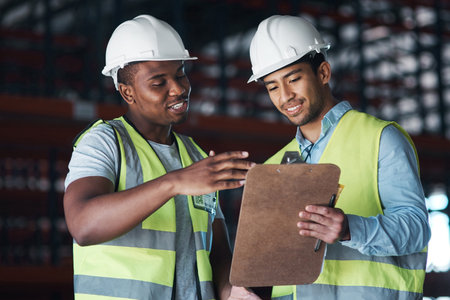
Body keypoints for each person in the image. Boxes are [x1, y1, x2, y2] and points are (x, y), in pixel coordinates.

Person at [64, 14, 261, 300]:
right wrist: (173, 183)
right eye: (159, 83)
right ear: (127, 92)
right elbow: (83, 225)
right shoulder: (104, 142)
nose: (179, 88)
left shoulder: (194, 155)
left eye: (180, 74)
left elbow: (215, 248)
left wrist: (232, 291)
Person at [247, 15, 431, 299]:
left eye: (294, 79)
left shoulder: (380, 138)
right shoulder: (274, 166)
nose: (285, 97)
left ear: (323, 73)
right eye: (272, 87)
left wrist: (350, 229)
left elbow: (416, 229)